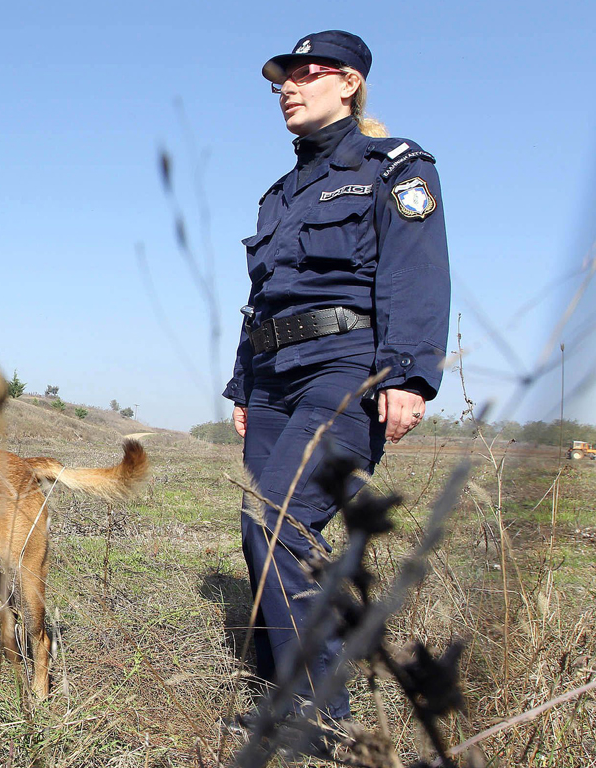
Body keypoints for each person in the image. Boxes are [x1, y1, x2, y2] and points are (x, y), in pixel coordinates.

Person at [223, 31, 450, 728]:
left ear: (347, 82)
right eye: (279, 82)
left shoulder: (394, 166)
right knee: (257, 524)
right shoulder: (281, 193)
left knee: (283, 523)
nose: (287, 88)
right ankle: (279, 689)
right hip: (272, 377)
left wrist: (407, 375)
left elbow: (413, 271)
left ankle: (317, 716)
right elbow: (265, 292)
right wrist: (241, 385)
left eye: (303, 75)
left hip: (346, 367)